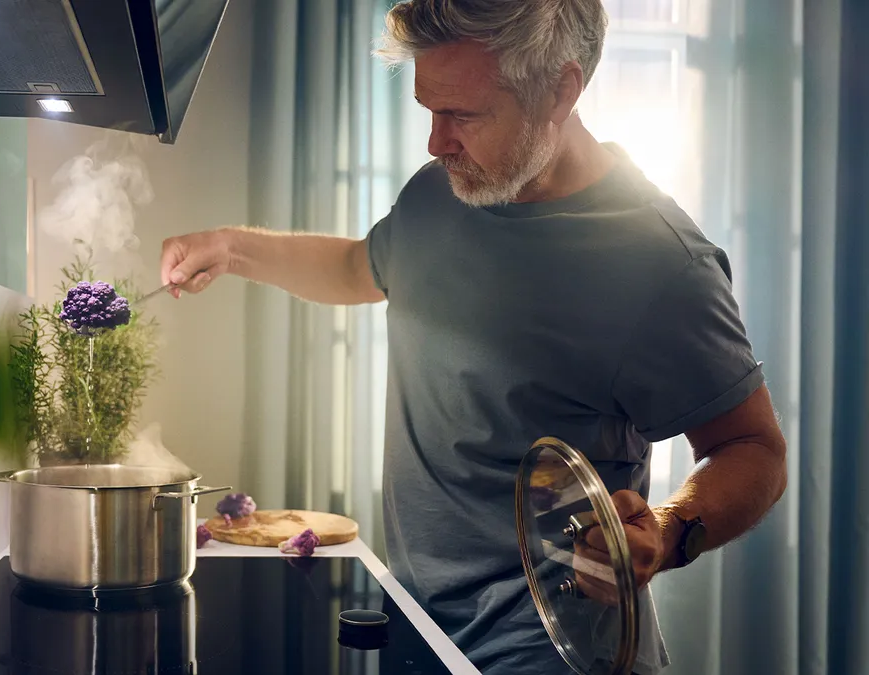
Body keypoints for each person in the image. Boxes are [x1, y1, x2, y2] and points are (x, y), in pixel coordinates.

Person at [159, 1, 788, 672]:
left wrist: (666, 531)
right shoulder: (443, 191)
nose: (435, 142)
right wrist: (231, 247)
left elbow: (754, 448)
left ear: (561, 90)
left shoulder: (663, 264)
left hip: (555, 645)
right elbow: (359, 268)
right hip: (417, 625)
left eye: (462, 115)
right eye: (429, 108)